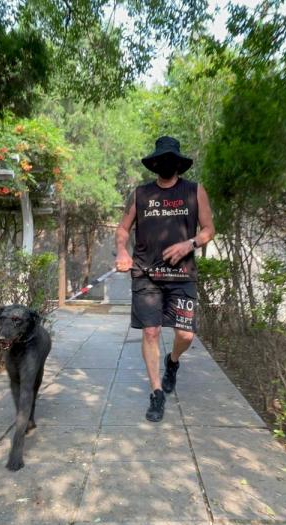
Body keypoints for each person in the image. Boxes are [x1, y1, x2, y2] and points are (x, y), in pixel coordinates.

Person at [115, 136, 215, 422]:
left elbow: (208, 229)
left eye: (172, 159)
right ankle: (156, 392)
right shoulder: (140, 194)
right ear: (155, 164)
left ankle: (172, 363)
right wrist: (122, 251)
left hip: (182, 275)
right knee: (151, 332)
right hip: (147, 275)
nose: (166, 164)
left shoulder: (195, 191)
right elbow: (123, 230)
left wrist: (189, 244)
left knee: (185, 334)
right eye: (162, 159)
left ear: (178, 164)